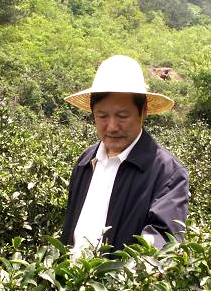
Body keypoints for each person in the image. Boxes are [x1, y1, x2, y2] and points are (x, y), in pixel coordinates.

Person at [60, 55, 189, 260]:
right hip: (70, 285)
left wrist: (121, 279)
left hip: (120, 289)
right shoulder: (86, 161)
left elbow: (164, 239)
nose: (111, 127)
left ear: (143, 113)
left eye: (122, 116)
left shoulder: (167, 172)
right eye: (102, 116)